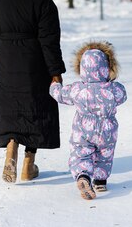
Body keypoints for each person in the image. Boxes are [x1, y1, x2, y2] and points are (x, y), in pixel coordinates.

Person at [0, 0, 66, 183]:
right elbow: (49, 41)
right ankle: (28, 164)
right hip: (36, 62)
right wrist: (55, 72)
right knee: (36, 108)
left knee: (11, 107)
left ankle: (11, 147)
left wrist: (3, 45)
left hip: (6, 61)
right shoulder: (44, 2)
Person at [49, 41, 127, 200]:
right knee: (105, 155)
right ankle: (100, 181)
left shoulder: (77, 89)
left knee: (81, 154)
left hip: (83, 131)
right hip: (107, 130)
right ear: (107, 67)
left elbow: (60, 95)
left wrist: (54, 85)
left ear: (82, 69)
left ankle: (83, 176)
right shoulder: (113, 89)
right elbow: (123, 95)